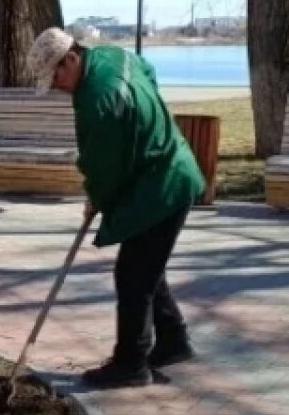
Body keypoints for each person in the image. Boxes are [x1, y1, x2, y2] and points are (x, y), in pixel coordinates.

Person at [25, 26, 205, 389]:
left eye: (55, 76)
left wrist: (97, 197)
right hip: (171, 171)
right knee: (146, 266)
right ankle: (173, 342)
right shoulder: (113, 55)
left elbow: (103, 168)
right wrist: (145, 123)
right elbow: (148, 72)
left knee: (133, 275)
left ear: (71, 58)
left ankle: (131, 364)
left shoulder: (97, 102)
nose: (57, 87)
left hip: (162, 186)